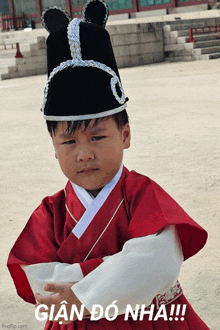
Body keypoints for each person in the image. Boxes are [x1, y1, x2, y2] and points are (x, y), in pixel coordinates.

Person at [7, 1, 210, 329]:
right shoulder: (51, 211)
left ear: (125, 134)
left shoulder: (140, 193)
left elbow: (158, 261)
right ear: (54, 148)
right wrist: (110, 279)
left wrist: (83, 295)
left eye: (98, 138)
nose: (84, 154)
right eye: (69, 142)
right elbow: (35, 274)